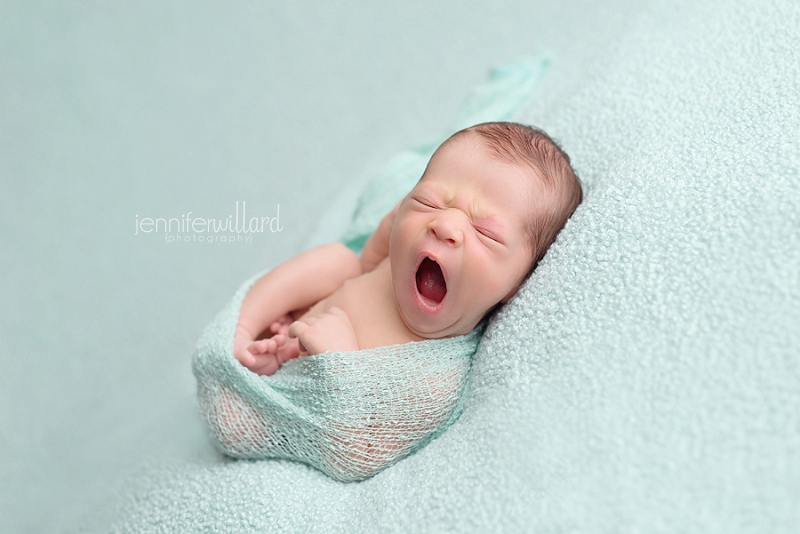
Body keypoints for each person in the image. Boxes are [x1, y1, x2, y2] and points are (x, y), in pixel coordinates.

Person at [232, 122, 583, 376]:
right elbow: (367, 264)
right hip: (282, 341)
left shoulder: (433, 374)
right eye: (428, 202)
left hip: (314, 399)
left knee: (237, 423)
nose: (446, 225)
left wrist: (341, 365)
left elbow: (360, 450)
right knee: (337, 260)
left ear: (518, 284)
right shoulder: (395, 263)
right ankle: (243, 328)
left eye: (484, 232)